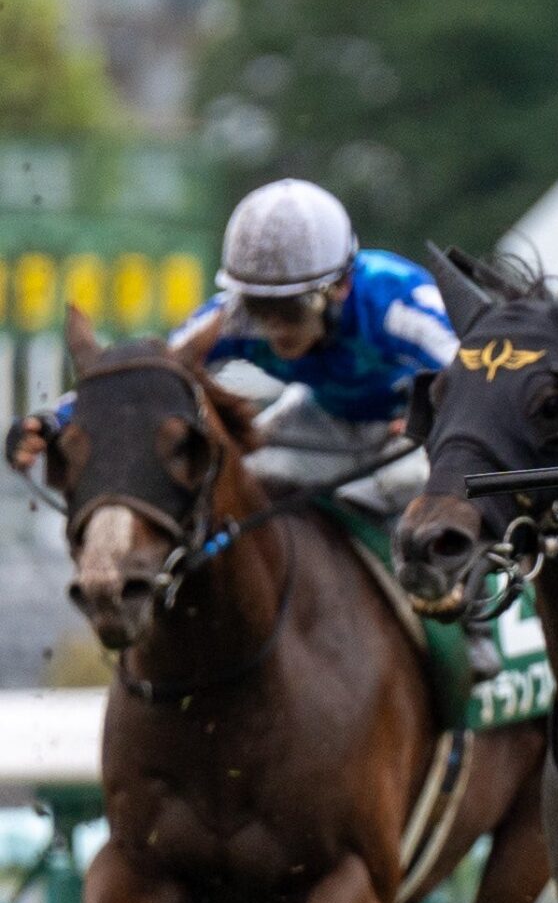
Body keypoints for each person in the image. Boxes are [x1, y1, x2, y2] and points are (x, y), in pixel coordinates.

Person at [9, 178, 496, 672]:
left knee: (415, 498)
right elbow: (149, 384)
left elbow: (480, 376)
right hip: (321, 414)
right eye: (260, 308)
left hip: (409, 427)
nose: (274, 329)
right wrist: (54, 420)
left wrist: (431, 416)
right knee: (236, 484)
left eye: (291, 309)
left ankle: (475, 623)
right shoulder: (233, 317)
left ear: (341, 287)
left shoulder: (395, 301)